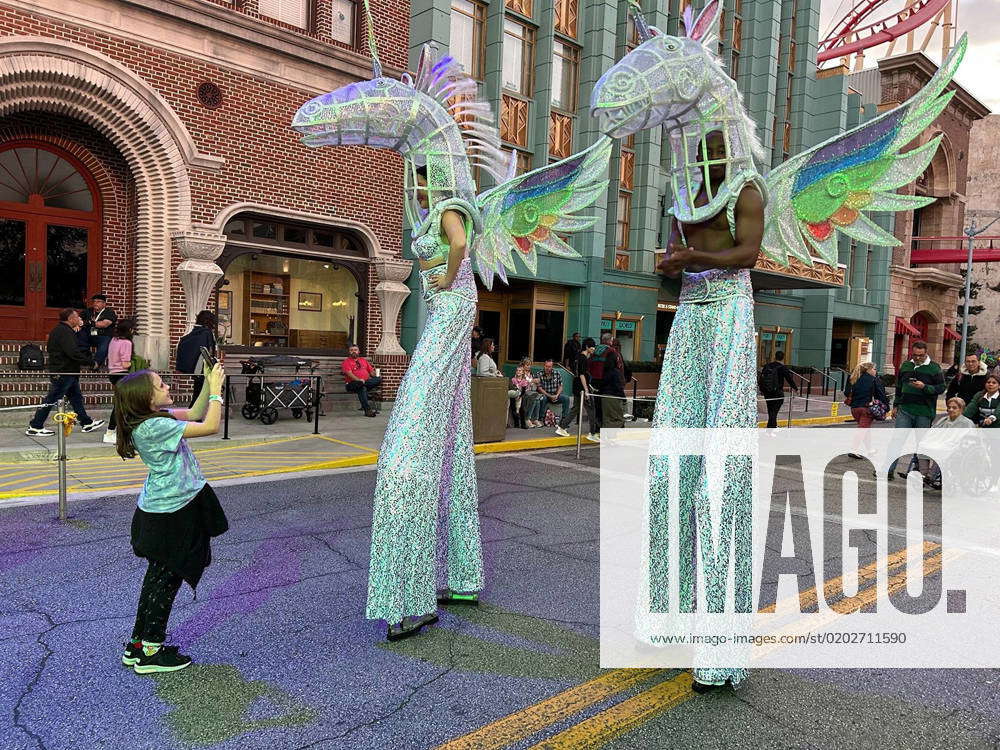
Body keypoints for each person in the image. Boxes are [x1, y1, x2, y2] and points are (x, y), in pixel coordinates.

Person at [651, 129, 766, 692]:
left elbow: (748, 254)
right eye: (703, 152)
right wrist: (675, 263)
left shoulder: (747, 189)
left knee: (719, 478)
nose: (709, 160)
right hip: (689, 319)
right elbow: (679, 257)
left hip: (726, 319)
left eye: (717, 151)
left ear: (731, 152)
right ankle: (671, 617)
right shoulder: (685, 197)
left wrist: (693, 256)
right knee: (670, 470)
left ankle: (720, 649)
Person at [366, 164, 484, 641]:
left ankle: (408, 593)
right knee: (450, 438)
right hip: (442, 311)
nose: (419, 183)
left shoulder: (452, 208)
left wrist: (447, 278)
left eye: (426, 175)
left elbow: (457, 246)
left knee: (410, 435)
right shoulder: (426, 213)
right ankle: (459, 575)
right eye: (417, 177)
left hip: (452, 306)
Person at [115, 361, 228, 674]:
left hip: (162, 510)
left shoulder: (155, 418)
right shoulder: (156, 426)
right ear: (147, 398)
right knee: (166, 581)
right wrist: (218, 391)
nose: (167, 386)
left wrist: (207, 381)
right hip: (173, 513)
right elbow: (210, 426)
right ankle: (151, 652)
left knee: (157, 579)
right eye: (160, 385)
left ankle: (138, 646)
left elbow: (194, 414)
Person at [26, 309, 105, 437]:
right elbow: (73, 352)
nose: (79, 319)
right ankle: (35, 426)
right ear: (70, 318)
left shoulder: (62, 330)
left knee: (76, 398)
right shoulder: (64, 332)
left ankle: (86, 422)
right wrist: (91, 362)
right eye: (77, 317)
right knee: (51, 399)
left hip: (68, 371)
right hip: (63, 371)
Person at [887, 341, 946, 480]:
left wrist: (925, 387)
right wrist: (895, 405)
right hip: (905, 410)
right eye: (915, 355)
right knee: (896, 440)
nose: (918, 358)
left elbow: (941, 388)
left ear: (926, 352)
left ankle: (922, 473)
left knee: (921, 444)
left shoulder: (934, 368)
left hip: (924, 412)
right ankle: (888, 470)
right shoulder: (906, 365)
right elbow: (899, 387)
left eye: (921, 355)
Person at [557, 337, 599, 441]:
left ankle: (562, 427)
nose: (593, 349)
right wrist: (586, 390)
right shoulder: (583, 359)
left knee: (576, 408)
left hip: (576, 386)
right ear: (587, 347)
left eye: (594, 347)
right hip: (581, 388)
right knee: (591, 410)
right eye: (592, 347)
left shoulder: (578, 357)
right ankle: (592, 433)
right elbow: (582, 375)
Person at [844, 361, 888, 459]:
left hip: (854, 408)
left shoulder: (853, 378)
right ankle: (853, 449)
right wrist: (886, 407)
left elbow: (846, 392)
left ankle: (870, 450)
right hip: (867, 408)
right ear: (869, 370)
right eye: (874, 369)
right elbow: (881, 395)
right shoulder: (874, 380)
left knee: (865, 429)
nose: (875, 371)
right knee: (863, 429)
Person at [176, 311, 218, 406]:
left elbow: (186, 342)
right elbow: (210, 351)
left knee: (197, 394)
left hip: (196, 369)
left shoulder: (195, 332)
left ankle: (194, 415)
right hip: (204, 369)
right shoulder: (207, 333)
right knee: (200, 396)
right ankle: (195, 416)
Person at [104, 320, 136, 444]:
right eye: (132, 329)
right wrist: (135, 362)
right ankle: (111, 431)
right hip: (122, 374)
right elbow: (125, 363)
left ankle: (118, 431)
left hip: (113, 374)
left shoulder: (114, 340)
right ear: (129, 330)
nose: (133, 331)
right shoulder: (126, 343)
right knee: (122, 405)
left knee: (122, 404)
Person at [758, 351, 798, 428]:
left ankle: (772, 426)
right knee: (774, 411)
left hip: (767, 391)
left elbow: (761, 378)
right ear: (783, 358)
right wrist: (796, 388)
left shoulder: (767, 366)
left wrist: (762, 388)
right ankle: (771, 427)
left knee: (770, 409)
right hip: (777, 392)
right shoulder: (782, 368)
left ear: (774, 357)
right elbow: (789, 379)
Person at [342, 344, 381, 417]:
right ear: (349, 352)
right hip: (351, 384)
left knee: (377, 380)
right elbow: (349, 374)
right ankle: (367, 409)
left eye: (355, 350)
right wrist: (359, 380)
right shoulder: (346, 362)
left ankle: (367, 410)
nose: (354, 351)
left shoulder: (363, 360)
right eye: (351, 350)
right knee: (361, 386)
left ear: (358, 351)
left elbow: (371, 372)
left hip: (364, 383)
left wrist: (376, 374)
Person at [82, 293, 117, 368]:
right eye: (94, 301)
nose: (95, 303)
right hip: (90, 335)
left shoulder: (109, 312)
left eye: (98, 301)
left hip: (103, 335)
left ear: (104, 303)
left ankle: (96, 363)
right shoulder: (88, 311)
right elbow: (79, 320)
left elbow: (104, 324)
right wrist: (78, 324)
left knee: (105, 342)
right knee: (80, 335)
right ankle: (84, 358)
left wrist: (89, 323)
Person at [599, 343, 627, 429]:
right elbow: (618, 386)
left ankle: (607, 438)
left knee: (607, 419)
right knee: (619, 419)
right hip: (613, 396)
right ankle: (611, 435)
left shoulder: (604, 371)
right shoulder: (616, 372)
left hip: (603, 395)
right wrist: (624, 398)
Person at [536, 358, 570, 425]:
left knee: (566, 398)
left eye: (549, 367)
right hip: (545, 395)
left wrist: (557, 395)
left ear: (552, 367)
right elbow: (539, 388)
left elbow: (560, 386)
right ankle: (541, 419)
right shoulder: (539, 374)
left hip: (555, 394)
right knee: (543, 398)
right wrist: (550, 396)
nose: (548, 368)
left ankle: (564, 419)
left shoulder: (557, 373)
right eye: (546, 366)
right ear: (544, 365)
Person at [510, 358, 540, 428]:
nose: (528, 366)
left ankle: (535, 419)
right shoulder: (520, 372)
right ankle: (527, 419)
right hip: (523, 392)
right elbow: (522, 383)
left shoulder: (531, 373)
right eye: (527, 365)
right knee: (533, 397)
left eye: (529, 365)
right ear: (523, 365)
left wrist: (535, 382)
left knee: (537, 399)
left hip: (531, 390)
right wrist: (532, 381)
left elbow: (533, 383)